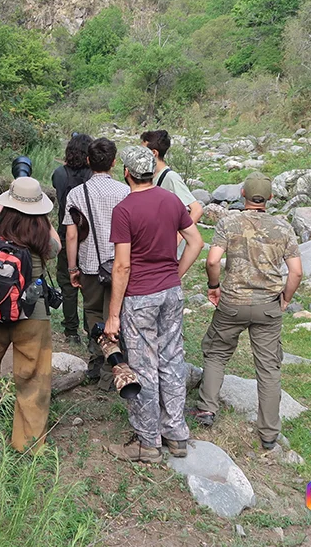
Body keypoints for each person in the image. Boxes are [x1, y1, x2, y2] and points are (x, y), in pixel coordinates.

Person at [105, 146, 204, 463]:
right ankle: (176, 436)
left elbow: (122, 267)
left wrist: (113, 315)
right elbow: (196, 242)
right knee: (172, 362)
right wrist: (175, 274)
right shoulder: (171, 200)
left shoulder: (124, 210)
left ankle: (148, 444)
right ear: (151, 170)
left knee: (143, 368)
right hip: (170, 294)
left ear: (127, 173)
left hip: (139, 298)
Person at [193, 172, 303, 450]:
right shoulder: (283, 228)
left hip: (232, 302)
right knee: (268, 368)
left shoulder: (228, 222)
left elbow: (213, 261)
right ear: (270, 198)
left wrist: (214, 286)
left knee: (217, 352)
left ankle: (207, 409)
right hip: (268, 306)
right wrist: (286, 299)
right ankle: (268, 432)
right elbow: (296, 272)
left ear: (242, 194)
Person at [0, 177, 61, 451]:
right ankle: (27, 442)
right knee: (33, 377)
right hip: (32, 314)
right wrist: (44, 217)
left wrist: (3, 207)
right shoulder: (43, 237)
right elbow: (56, 247)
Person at [61, 138, 129, 390]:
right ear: (113, 162)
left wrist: (72, 268)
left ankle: (96, 361)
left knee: (92, 314)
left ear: (89, 161)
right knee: (116, 315)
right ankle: (112, 371)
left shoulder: (77, 194)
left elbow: (71, 235)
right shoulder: (125, 192)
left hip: (90, 265)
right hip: (119, 266)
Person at [51, 133, 94, 344]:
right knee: (89, 284)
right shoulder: (92, 177)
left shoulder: (59, 174)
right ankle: (90, 327)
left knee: (67, 284)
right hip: (88, 237)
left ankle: (71, 331)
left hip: (64, 232)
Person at [141, 130, 203, 226]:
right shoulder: (149, 176)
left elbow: (197, 209)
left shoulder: (171, 177)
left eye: (143, 151)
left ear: (154, 153)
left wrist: (178, 237)